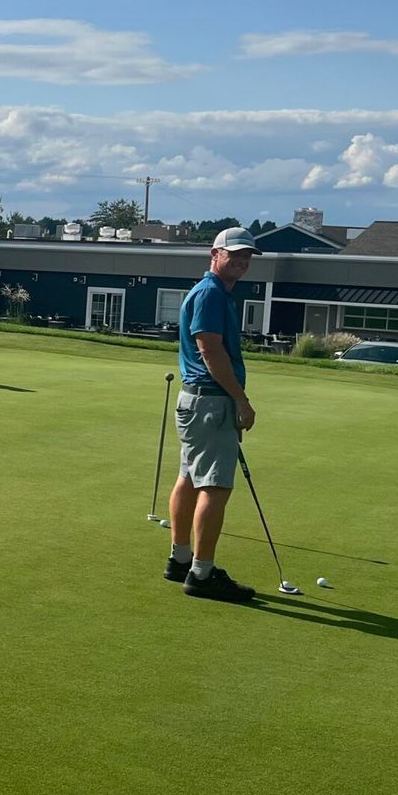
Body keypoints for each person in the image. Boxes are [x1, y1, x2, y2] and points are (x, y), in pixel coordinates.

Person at [165, 227, 261, 603]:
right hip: (211, 401)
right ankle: (202, 573)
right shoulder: (209, 294)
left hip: (199, 402)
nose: (241, 260)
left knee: (189, 479)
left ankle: (181, 559)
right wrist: (240, 399)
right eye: (234, 253)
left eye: (247, 256)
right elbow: (210, 351)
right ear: (215, 253)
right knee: (215, 487)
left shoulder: (217, 293)